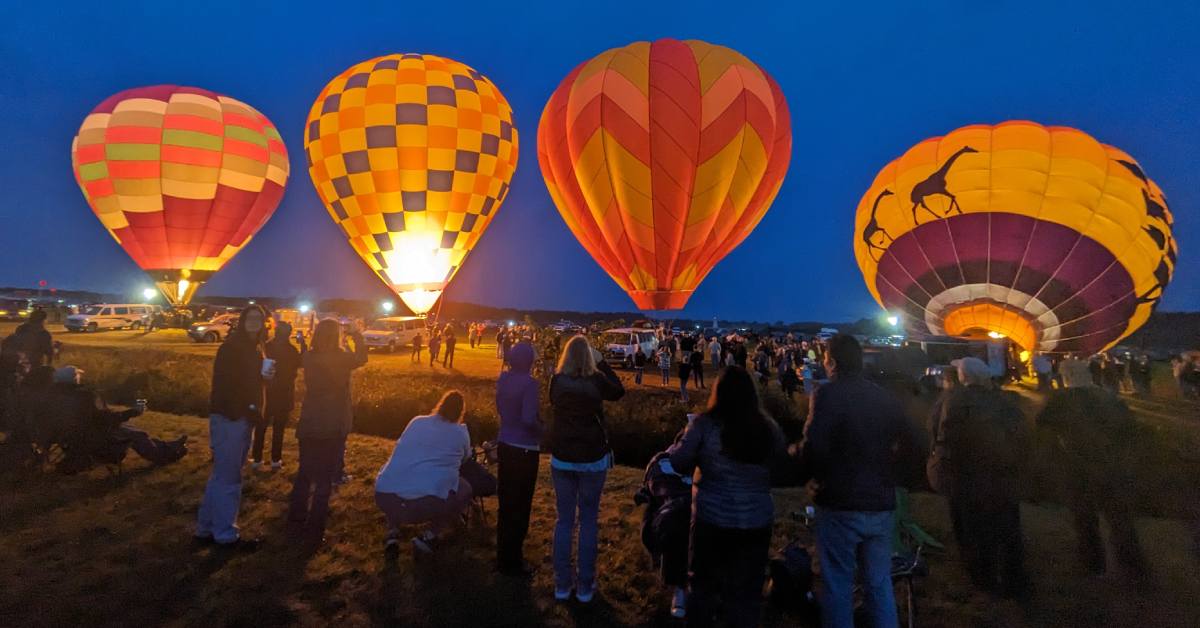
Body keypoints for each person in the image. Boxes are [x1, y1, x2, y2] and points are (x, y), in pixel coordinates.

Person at [800, 334, 921, 628]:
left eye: (826, 358)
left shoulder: (828, 395)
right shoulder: (884, 397)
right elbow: (912, 443)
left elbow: (813, 447)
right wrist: (891, 474)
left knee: (838, 583)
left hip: (840, 503)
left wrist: (805, 469)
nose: (825, 363)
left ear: (833, 362)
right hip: (880, 502)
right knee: (878, 584)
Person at [669, 367, 787, 627]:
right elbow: (781, 468)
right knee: (746, 592)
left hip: (712, 518)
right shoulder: (768, 429)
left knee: (702, 584)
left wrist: (684, 439)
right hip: (755, 520)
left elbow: (678, 461)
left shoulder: (704, 425)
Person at [1036, 359, 1148, 583]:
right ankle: (1133, 567)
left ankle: (1093, 566)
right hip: (1112, 467)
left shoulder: (1060, 400)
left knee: (1085, 519)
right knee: (1119, 518)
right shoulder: (1108, 398)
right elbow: (1131, 430)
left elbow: (1041, 427)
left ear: (1066, 376)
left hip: (1078, 469)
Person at [927, 357, 1029, 597]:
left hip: (963, 479)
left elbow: (935, 435)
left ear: (964, 377)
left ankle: (982, 578)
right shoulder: (1005, 401)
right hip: (1001, 477)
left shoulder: (950, 401)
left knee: (971, 530)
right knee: (1007, 530)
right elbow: (1022, 436)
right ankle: (1014, 579)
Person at [548, 335, 625, 602]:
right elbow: (618, 391)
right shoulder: (596, 381)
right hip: (592, 458)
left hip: (562, 457)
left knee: (564, 521)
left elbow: (553, 402)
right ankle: (584, 586)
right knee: (589, 520)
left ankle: (561, 584)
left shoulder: (557, 381)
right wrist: (602, 364)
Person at [195, 305, 271, 550]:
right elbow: (228, 385)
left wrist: (263, 380)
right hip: (231, 417)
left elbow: (246, 381)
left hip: (236, 416)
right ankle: (225, 533)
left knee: (221, 474)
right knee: (230, 477)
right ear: (243, 321)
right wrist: (248, 408)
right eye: (251, 317)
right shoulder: (233, 348)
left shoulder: (253, 348)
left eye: (259, 318)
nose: (255, 322)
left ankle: (206, 526)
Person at [287, 319, 368, 544]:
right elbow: (362, 357)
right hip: (333, 421)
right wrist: (356, 335)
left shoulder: (309, 357)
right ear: (336, 336)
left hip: (310, 420)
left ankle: (296, 516)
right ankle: (316, 525)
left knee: (305, 471)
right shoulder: (342, 358)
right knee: (325, 477)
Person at [375, 390, 474, 556]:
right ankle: (429, 536)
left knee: (400, 478)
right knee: (464, 490)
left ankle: (392, 533)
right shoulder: (460, 433)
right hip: (421, 506)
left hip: (384, 496)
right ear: (460, 412)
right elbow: (466, 458)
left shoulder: (417, 421)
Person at [50, 365, 187, 473]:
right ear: (75, 379)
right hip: (95, 435)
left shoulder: (54, 397)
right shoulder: (85, 397)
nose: (80, 378)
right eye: (78, 376)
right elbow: (105, 419)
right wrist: (132, 412)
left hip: (72, 436)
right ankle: (164, 456)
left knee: (132, 429)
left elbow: (99, 416)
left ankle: (167, 446)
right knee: (138, 434)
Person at [495, 341, 544, 576]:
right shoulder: (530, 384)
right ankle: (514, 559)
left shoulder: (503, 379)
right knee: (521, 505)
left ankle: (502, 554)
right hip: (524, 449)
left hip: (504, 442)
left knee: (506, 503)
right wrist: (542, 431)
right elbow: (528, 419)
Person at [252, 321, 306, 471]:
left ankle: (257, 459)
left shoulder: (266, 348)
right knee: (279, 429)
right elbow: (302, 362)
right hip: (285, 393)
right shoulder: (291, 350)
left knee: (261, 427)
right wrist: (302, 344)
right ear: (289, 334)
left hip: (266, 393)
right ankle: (276, 460)